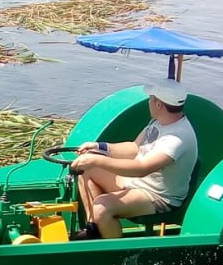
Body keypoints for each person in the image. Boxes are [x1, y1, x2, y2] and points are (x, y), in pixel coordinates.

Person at [69, 79, 198, 240]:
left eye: (151, 98)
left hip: (157, 196)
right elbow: (134, 148)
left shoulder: (178, 138)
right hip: (136, 184)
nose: (148, 102)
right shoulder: (158, 123)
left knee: (103, 207)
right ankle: (94, 229)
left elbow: (142, 168)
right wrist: (99, 147)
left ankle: (115, 257)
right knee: (86, 169)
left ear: (159, 104)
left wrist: (97, 161)